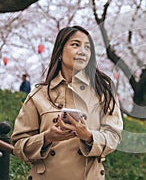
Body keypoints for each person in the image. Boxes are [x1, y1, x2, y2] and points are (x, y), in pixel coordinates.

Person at [11, 26, 123, 180]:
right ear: (60, 51)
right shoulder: (39, 94)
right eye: (75, 45)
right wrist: (47, 137)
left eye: (87, 47)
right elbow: (19, 145)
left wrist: (89, 136)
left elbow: (114, 136)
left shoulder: (103, 92)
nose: (82, 51)